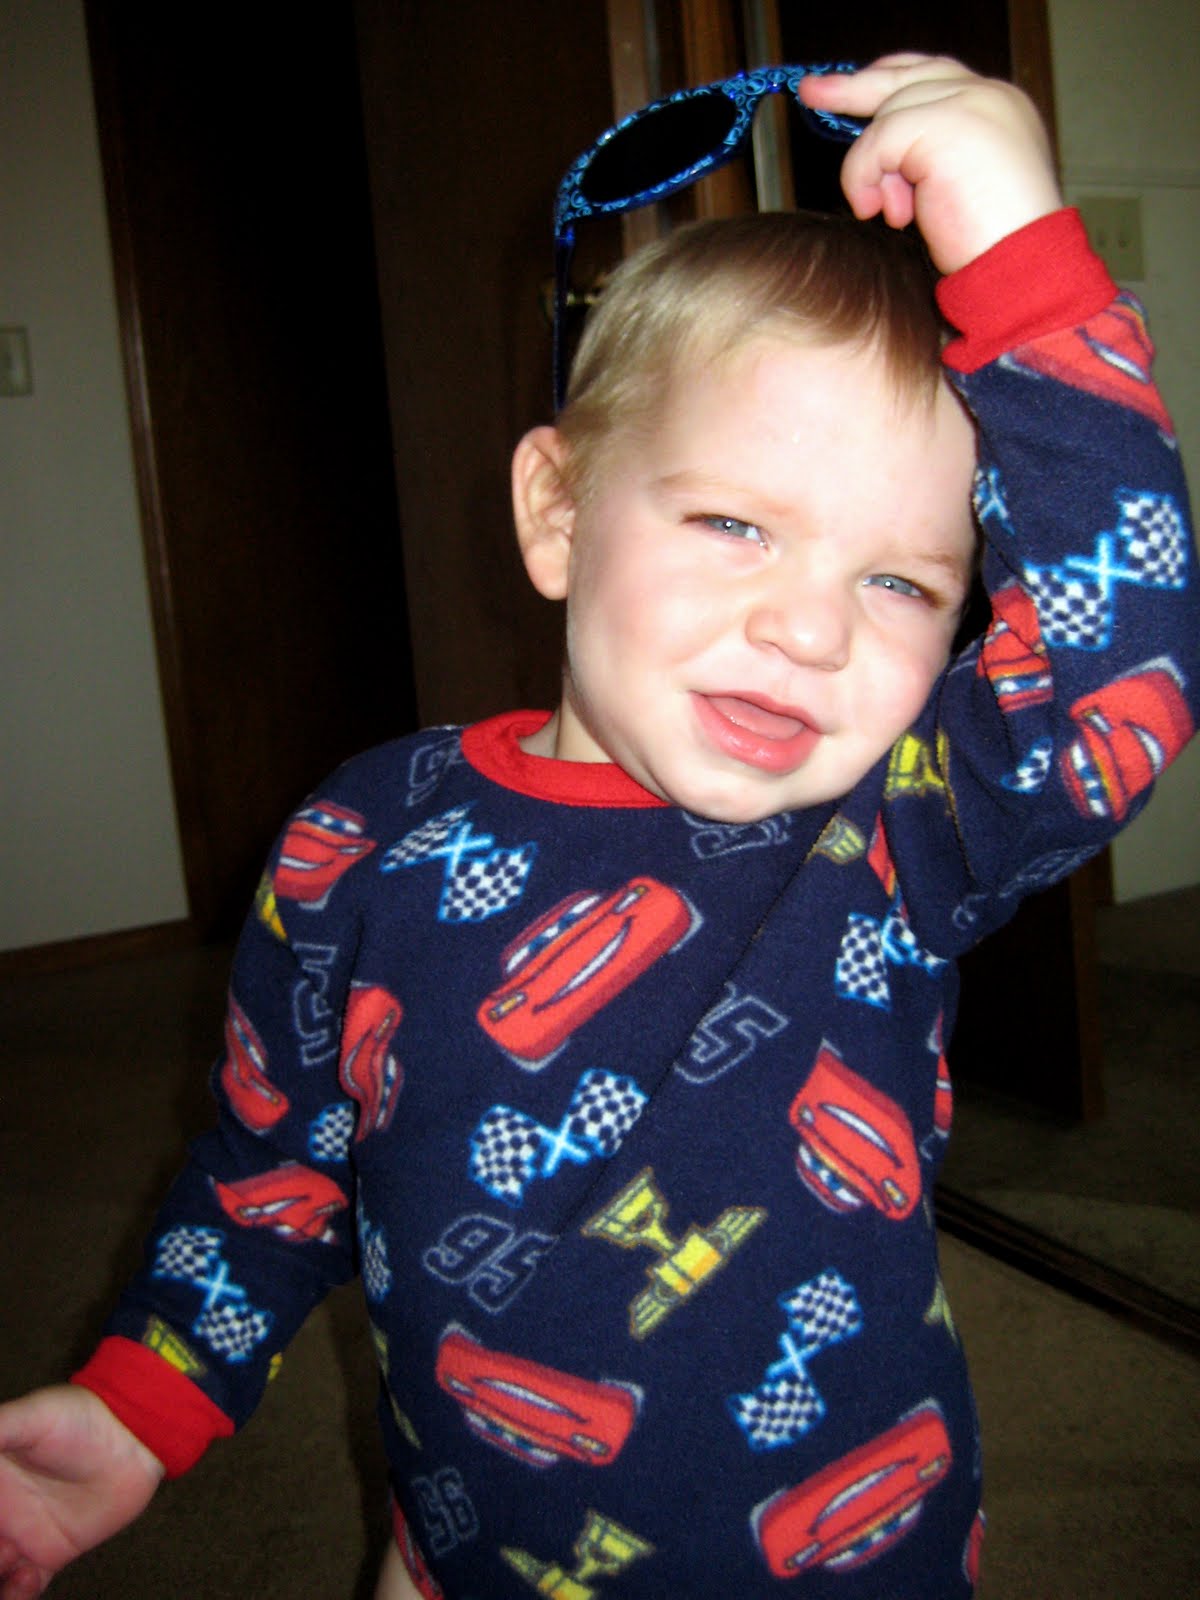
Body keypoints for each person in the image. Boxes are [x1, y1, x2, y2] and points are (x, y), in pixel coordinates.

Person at [1, 55, 1196, 1600]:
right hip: (461, 1548)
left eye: (899, 581)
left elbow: (1119, 669)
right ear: (558, 514)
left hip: (849, 1561)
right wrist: (143, 1398)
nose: (811, 630)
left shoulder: (893, 843)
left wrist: (1024, 251)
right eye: (734, 523)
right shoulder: (358, 841)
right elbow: (274, 1164)